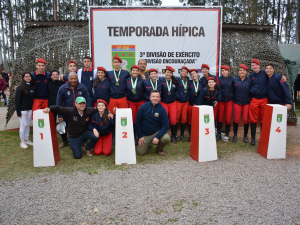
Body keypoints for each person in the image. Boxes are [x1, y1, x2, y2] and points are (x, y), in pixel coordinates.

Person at [56, 72, 92, 148]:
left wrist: (86, 111)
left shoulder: (82, 87)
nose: (73, 80)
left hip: (79, 112)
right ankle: (64, 141)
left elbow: (87, 100)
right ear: (68, 79)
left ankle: (83, 141)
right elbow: (59, 102)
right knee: (63, 126)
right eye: (71, 78)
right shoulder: (63, 88)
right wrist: (60, 114)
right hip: (66, 112)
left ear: (77, 79)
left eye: (75, 78)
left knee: (82, 126)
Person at [135, 90, 170, 156]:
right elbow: (138, 122)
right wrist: (140, 136)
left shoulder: (162, 109)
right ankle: (147, 144)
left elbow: (165, 125)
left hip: (157, 132)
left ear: (159, 99)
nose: (155, 98)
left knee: (166, 138)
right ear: (150, 97)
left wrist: (157, 137)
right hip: (145, 134)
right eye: (153, 96)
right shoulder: (143, 107)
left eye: (157, 97)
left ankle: (159, 148)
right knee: (140, 152)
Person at [249, 59, 269, 145]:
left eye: (256, 65)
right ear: (251, 67)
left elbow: (274, 76)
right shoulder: (251, 76)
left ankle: (263, 137)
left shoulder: (265, 73)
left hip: (264, 99)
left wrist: (282, 77)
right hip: (254, 99)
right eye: (253, 65)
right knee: (253, 119)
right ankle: (253, 139)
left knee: (264, 119)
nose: (255, 66)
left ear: (259, 65)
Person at [126, 65, 145, 144]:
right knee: (133, 119)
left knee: (141, 119)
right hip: (131, 102)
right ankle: (133, 137)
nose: (135, 72)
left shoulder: (142, 79)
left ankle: (140, 136)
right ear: (131, 71)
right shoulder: (127, 79)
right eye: (133, 70)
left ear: (138, 72)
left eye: (137, 71)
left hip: (141, 101)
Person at [15, 72, 35, 148]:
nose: (28, 78)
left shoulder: (31, 86)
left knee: (28, 124)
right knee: (23, 125)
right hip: (22, 110)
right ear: (23, 78)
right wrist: (18, 111)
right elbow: (17, 100)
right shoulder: (20, 87)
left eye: (29, 76)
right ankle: (22, 141)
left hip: (29, 109)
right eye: (26, 77)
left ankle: (27, 140)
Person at [232, 64, 252, 143]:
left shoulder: (249, 81)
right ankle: (235, 136)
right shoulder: (235, 80)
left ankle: (245, 136)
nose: (242, 72)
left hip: (246, 103)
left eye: (244, 70)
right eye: (240, 70)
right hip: (237, 102)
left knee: (245, 120)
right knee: (236, 119)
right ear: (238, 72)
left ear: (246, 72)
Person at [159, 66, 178, 143]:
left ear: (172, 74)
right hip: (164, 102)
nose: (169, 74)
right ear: (165, 72)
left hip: (172, 103)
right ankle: (163, 135)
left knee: (173, 120)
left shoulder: (175, 81)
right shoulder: (161, 80)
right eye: (167, 72)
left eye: (170, 73)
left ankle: (174, 136)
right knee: (164, 119)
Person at [217, 65, 234, 140]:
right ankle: (218, 134)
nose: (224, 72)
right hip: (221, 101)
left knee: (228, 118)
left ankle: (227, 133)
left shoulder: (232, 79)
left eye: (225, 70)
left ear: (228, 71)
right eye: (222, 70)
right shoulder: (219, 79)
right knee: (220, 117)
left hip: (229, 100)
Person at [187, 69, 203, 141]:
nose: (193, 75)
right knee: (190, 119)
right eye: (191, 74)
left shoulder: (201, 83)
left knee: (198, 120)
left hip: (198, 105)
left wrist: (197, 103)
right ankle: (191, 135)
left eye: (194, 73)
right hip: (190, 104)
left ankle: (198, 134)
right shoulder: (189, 82)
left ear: (197, 74)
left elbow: (202, 95)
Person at [175, 66, 189, 142]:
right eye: (182, 71)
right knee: (177, 117)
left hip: (186, 101)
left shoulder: (188, 80)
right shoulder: (176, 79)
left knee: (184, 118)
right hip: (178, 101)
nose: (184, 73)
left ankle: (182, 135)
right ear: (180, 72)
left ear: (187, 73)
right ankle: (175, 135)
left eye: (185, 72)